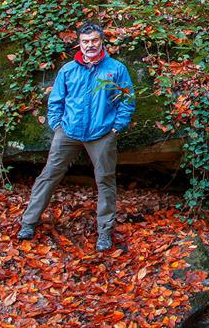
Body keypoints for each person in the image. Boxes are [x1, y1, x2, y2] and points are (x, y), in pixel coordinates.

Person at [17, 22, 135, 251]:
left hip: (102, 134)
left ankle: (104, 233)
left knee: (105, 181)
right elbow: (56, 101)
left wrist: (116, 128)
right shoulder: (68, 70)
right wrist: (57, 125)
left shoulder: (116, 69)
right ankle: (28, 223)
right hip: (69, 132)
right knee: (48, 175)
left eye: (94, 41)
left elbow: (127, 100)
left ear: (102, 41)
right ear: (79, 44)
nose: (90, 45)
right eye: (85, 41)